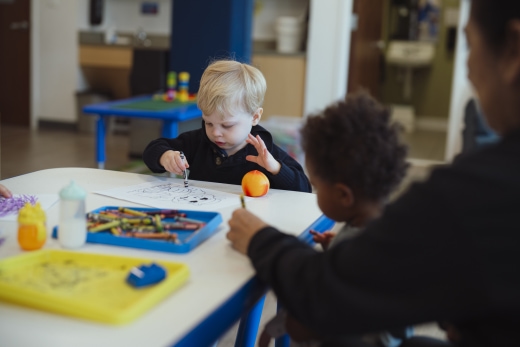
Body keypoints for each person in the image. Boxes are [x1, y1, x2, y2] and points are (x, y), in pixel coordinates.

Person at [226, 1, 520, 346]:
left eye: (470, 45)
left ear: (513, 50)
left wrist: (260, 238)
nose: (468, 69)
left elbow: (323, 295)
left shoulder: (475, 194)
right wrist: (361, 259)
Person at [256, 91, 412, 347]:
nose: (315, 190)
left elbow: (333, 315)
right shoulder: (391, 230)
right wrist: (339, 245)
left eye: (316, 185)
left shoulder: (356, 252)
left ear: (343, 195)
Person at [142, 59, 311, 193]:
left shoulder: (265, 152)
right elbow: (152, 149)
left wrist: (275, 168)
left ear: (254, 117)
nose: (216, 133)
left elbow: (304, 189)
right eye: (208, 123)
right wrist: (165, 156)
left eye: (227, 126)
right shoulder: (197, 142)